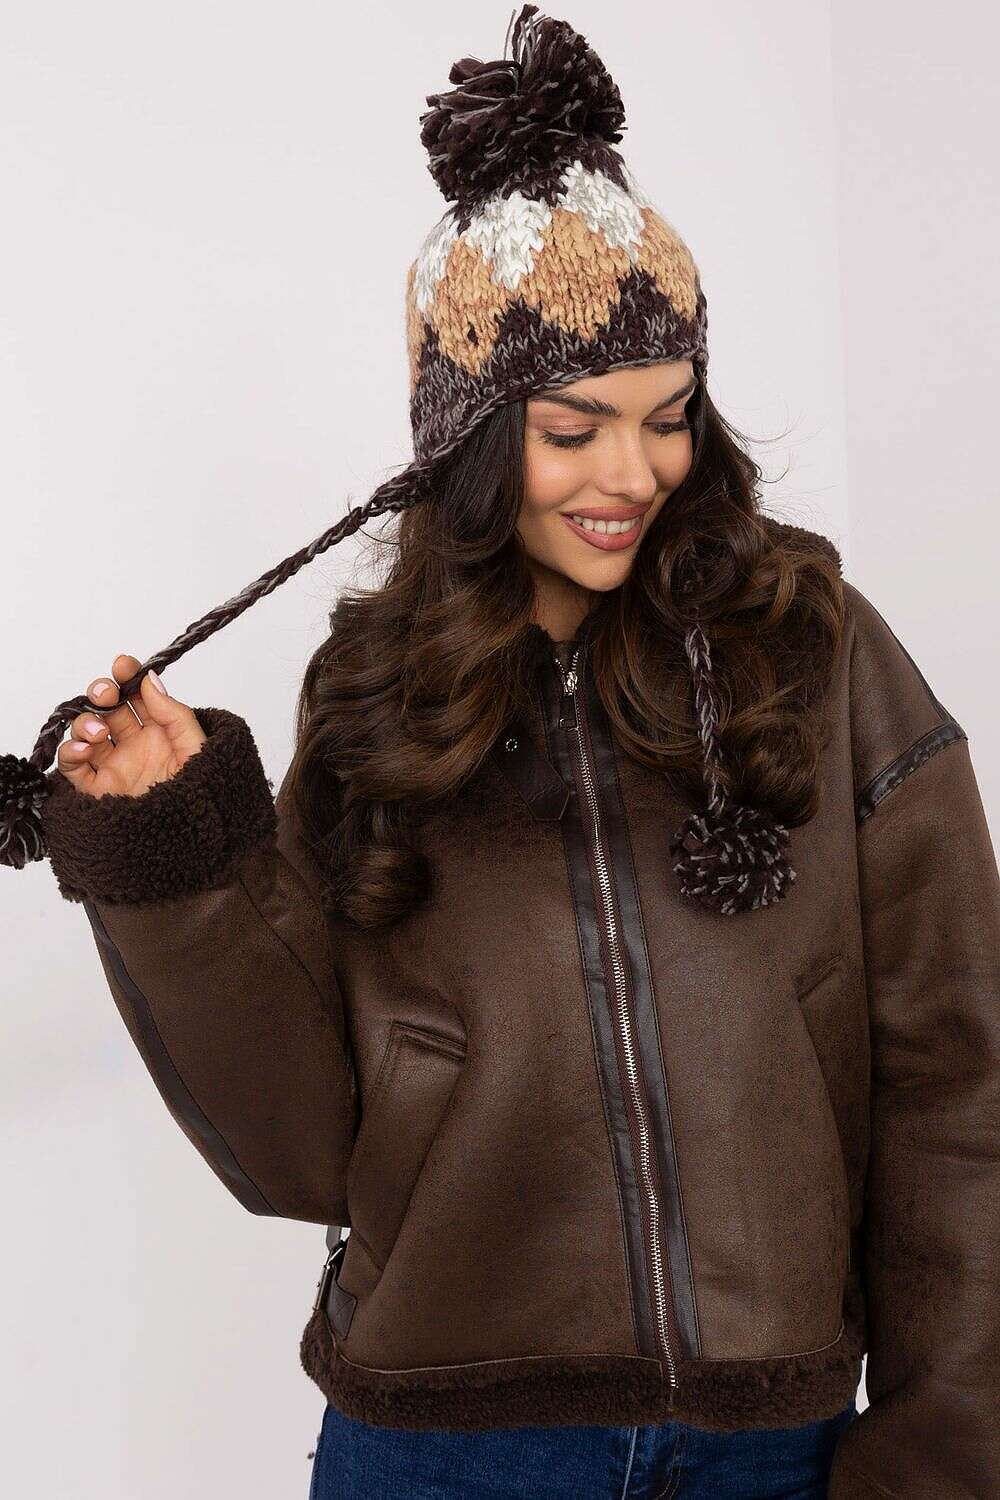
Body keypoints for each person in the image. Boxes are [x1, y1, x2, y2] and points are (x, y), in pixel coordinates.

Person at [5, 6, 997, 1498]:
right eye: (572, 429)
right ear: (468, 438)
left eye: (668, 418)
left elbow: (957, 1081)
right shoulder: (376, 698)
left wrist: (946, 1443)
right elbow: (298, 1158)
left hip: (767, 1436)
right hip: (445, 1446)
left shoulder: (816, 650)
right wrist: (177, 861)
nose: (633, 474)